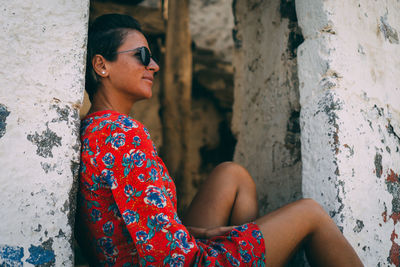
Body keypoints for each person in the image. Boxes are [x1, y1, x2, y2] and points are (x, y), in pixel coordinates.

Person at [76, 13, 363, 267]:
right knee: (310, 213)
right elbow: (170, 258)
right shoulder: (121, 134)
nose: (154, 66)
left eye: (152, 57)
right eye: (141, 55)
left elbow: (144, 230)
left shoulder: (93, 129)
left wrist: (200, 233)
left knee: (231, 174)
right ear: (102, 65)